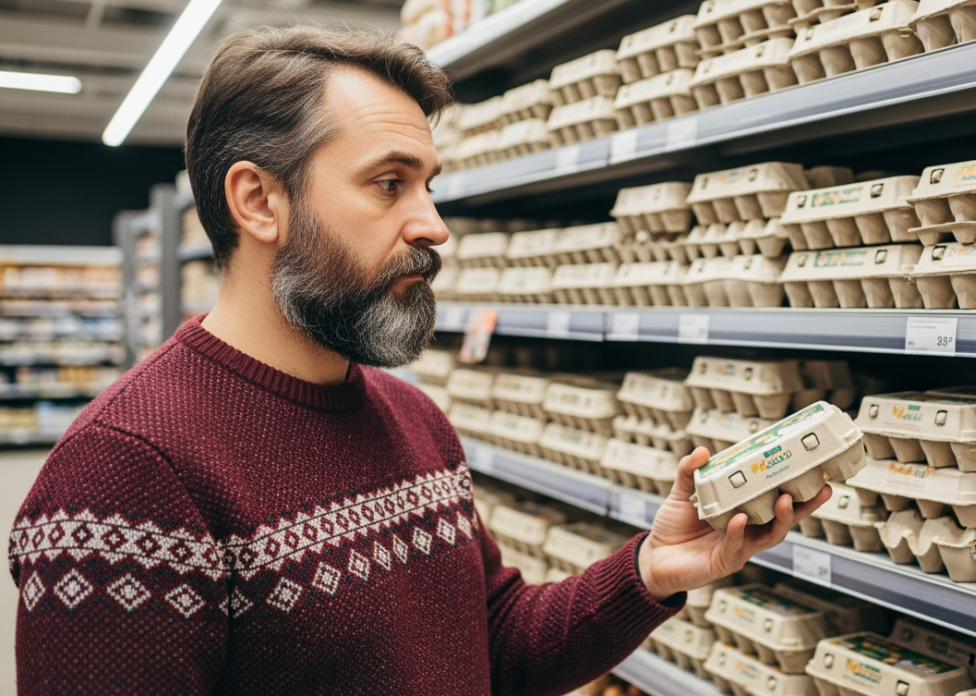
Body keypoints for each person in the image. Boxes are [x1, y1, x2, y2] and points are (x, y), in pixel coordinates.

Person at [8, 26, 831, 695]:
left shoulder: (414, 420)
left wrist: (651, 571)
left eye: (429, 185)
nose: (435, 225)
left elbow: (494, 647)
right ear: (258, 201)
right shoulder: (127, 474)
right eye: (389, 184)